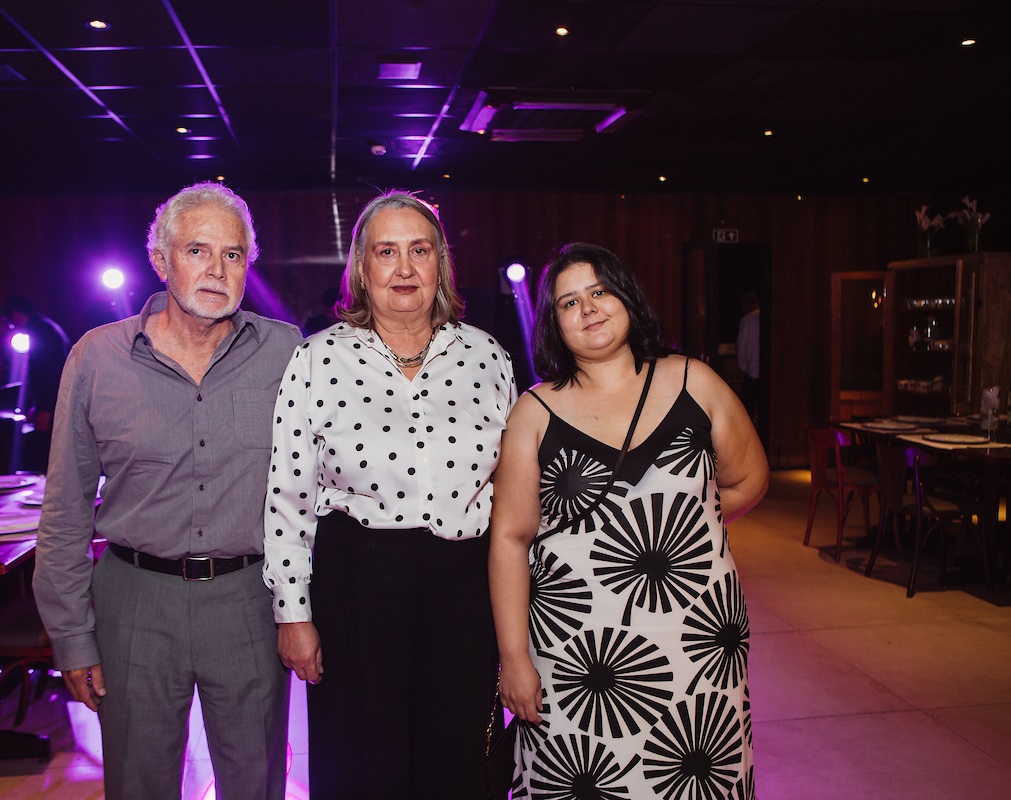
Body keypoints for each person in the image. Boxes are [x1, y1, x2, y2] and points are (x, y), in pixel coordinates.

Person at [33, 182, 302, 800]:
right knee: (139, 783)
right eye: (197, 250)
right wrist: (72, 637)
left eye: (233, 255)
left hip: (248, 602)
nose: (216, 269)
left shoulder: (287, 352)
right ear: (160, 259)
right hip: (134, 603)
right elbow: (66, 510)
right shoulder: (98, 358)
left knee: (255, 782)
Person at [489, 243, 767, 799]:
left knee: (696, 774)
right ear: (553, 324)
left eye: (600, 291)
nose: (588, 308)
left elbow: (748, 481)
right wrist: (515, 657)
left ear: (627, 298)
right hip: (579, 656)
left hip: (697, 637)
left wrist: (676, 534)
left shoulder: (695, 381)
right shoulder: (534, 411)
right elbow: (511, 538)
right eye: (569, 302)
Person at [264, 190, 517, 799]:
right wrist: (293, 613)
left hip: (463, 586)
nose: (404, 269)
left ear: (441, 265)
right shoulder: (317, 359)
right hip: (358, 582)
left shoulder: (488, 356)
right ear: (362, 269)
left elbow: (514, 492)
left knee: (457, 757)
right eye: (386, 252)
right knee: (360, 764)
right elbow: (288, 497)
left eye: (419, 251)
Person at [1, 295, 71, 471]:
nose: (12, 326)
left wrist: (45, 409)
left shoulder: (40, 331)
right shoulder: (47, 327)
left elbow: (49, 373)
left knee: (48, 460)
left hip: (54, 404)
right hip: (57, 401)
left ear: (16, 315)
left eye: (10, 322)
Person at [736, 291, 760, 424]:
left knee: (746, 410)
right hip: (762, 371)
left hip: (752, 371)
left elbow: (742, 345)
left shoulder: (747, 320)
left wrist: (744, 366)